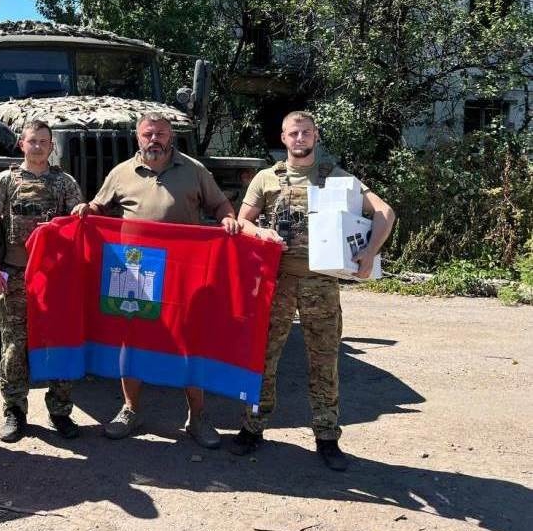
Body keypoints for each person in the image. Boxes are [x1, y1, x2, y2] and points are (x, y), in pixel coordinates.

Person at [232, 110, 395, 471]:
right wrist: (261, 232)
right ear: (283, 138)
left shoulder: (337, 178)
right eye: (293, 133)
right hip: (276, 283)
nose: (300, 138)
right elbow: (241, 222)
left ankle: (327, 436)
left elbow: (385, 212)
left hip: (321, 284)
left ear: (316, 136)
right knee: (262, 358)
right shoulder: (266, 178)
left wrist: (370, 252)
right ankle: (252, 426)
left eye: (306, 132)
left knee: (323, 361)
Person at [71, 112, 240, 449]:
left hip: (183, 271)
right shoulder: (121, 172)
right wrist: (87, 209)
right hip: (136, 268)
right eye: (148, 134)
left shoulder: (193, 169)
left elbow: (220, 204)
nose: (154, 140)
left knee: (190, 340)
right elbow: (100, 206)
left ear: (170, 136)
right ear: (138, 137)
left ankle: (198, 417)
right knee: (131, 339)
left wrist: (228, 219)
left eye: (160, 134)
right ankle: (130, 410)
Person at [0, 120, 84, 442]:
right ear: (21, 144)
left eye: (44, 141)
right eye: (32, 141)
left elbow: (77, 226)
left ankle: (60, 410)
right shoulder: (5, 181)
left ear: (51, 146)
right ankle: (14, 410)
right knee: (14, 346)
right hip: (15, 275)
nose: (38, 146)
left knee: (59, 342)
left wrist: (82, 211)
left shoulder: (65, 183)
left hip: (54, 281)